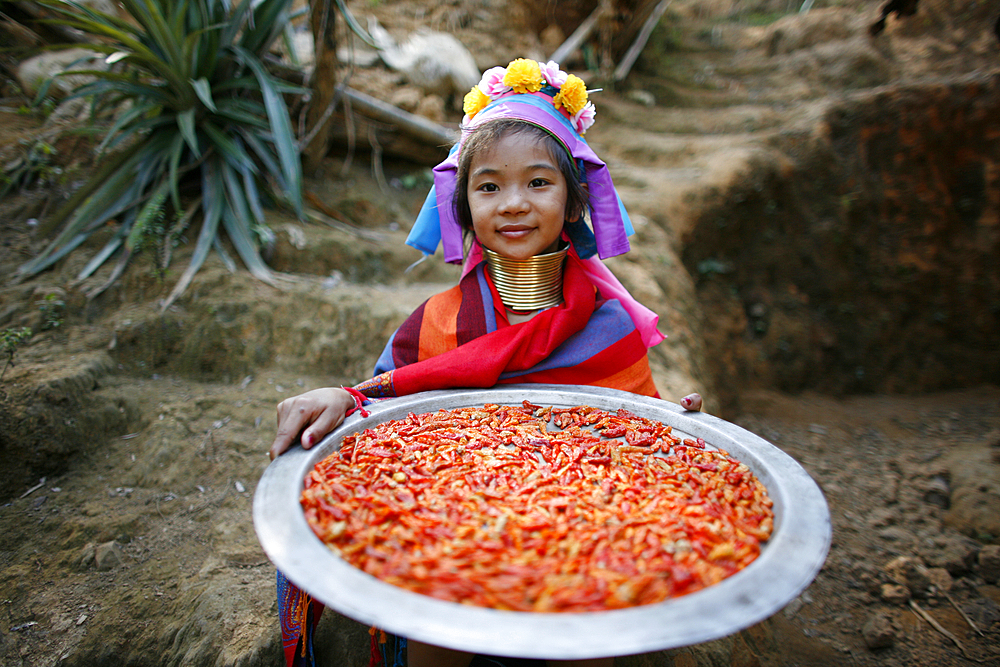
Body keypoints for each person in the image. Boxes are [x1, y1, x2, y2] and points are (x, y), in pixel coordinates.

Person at [269, 57, 671, 667]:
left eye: (538, 183)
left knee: (589, 632)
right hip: (457, 530)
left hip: (577, 532)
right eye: (489, 186)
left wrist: (674, 428)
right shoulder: (439, 321)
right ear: (464, 207)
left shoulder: (607, 328)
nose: (513, 204)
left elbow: (639, 433)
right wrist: (343, 397)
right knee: (439, 626)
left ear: (572, 202)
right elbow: (383, 406)